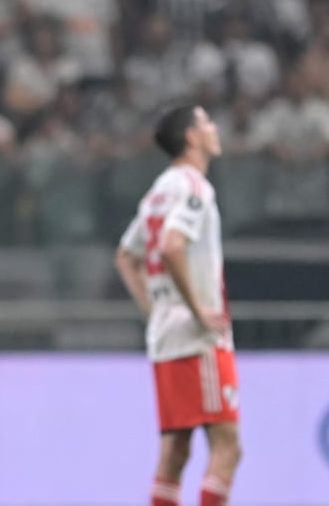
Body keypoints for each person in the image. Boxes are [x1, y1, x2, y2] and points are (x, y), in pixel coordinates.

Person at [115, 105, 242, 506]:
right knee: (228, 447)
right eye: (206, 122)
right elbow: (172, 246)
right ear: (192, 137)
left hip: (167, 334)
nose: (214, 128)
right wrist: (197, 309)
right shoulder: (195, 187)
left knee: (176, 452)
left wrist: (156, 312)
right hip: (198, 336)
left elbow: (125, 256)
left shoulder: (160, 189)